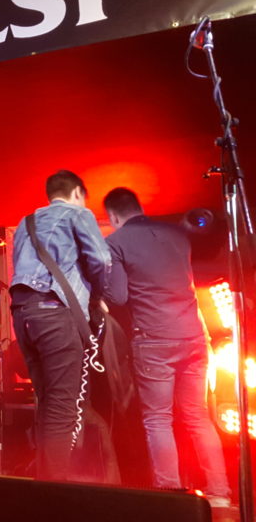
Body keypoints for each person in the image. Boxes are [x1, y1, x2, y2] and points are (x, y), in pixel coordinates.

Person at [102, 187, 231, 506]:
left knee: (157, 419)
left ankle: (170, 496)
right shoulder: (176, 233)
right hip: (193, 336)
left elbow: (117, 296)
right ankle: (220, 493)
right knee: (198, 417)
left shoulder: (115, 242)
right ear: (139, 206)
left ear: (113, 217)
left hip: (154, 340)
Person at [9, 169, 110, 481]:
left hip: (24, 315)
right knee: (63, 407)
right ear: (78, 192)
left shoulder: (25, 224)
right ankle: (56, 492)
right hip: (55, 312)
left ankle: (44, 487)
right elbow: (102, 260)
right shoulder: (77, 214)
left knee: (47, 402)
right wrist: (98, 294)